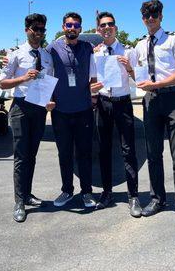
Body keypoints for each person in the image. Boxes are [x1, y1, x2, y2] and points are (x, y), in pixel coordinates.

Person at [134, 0, 175, 226]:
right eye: (147, 15)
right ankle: (157, 199)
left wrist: (157, 85)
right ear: (142, 19)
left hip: (173, 99)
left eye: (154, 14)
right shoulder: (140, 45)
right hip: (151, 102)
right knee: (153, 153)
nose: (150, 18)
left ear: (161, 16)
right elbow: (136, 73)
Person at [0, 13, 55, 223]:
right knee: (21, 156)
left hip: (39, 109)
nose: (39, 33)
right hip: (21, 107)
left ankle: (28, 194)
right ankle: (19, 202)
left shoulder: (47, 55)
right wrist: (23, 77)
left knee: (32, 154)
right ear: (27, 30)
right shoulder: (15, 54)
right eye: (35, 29)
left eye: (42, 30)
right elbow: (2, 83)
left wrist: (49, 100)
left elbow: (49, 80)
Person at [47, 12, 102, 208]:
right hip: (60, 111)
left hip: (84, 110)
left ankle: (87, 192)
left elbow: (94, 74)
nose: (72, 28)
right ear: (63, 27)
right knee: (64, 153)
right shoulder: (52, 47)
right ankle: (67, 190)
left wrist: (94, 98)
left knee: (84, 153)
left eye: (76, 25)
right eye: (69, 25)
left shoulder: (88, 48)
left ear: (80, 28)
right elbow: (40, 67)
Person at [93, 11, 142, 217]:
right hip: (103, 104)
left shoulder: (128, 52)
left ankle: (133, 196)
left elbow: (140, 78)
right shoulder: (95, 54)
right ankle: (107, 193)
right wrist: (92, 87)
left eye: (110, 24)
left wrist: (129, 68)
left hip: (123, 104)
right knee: (104, 150)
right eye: (103, 25)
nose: (106, 28)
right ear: (98, 30)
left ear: (116, 28)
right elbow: (91, 80)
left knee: (128, 150)